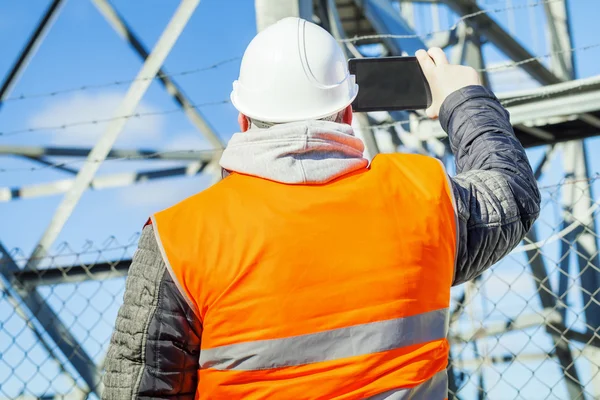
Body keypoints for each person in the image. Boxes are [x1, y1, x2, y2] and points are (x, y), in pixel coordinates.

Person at [102, 17, 540, 400]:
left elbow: (138, 386)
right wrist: (461, 98)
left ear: (243, 119)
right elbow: (511, 191)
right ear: (347, 113)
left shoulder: (180, 238)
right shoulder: (424, 195)